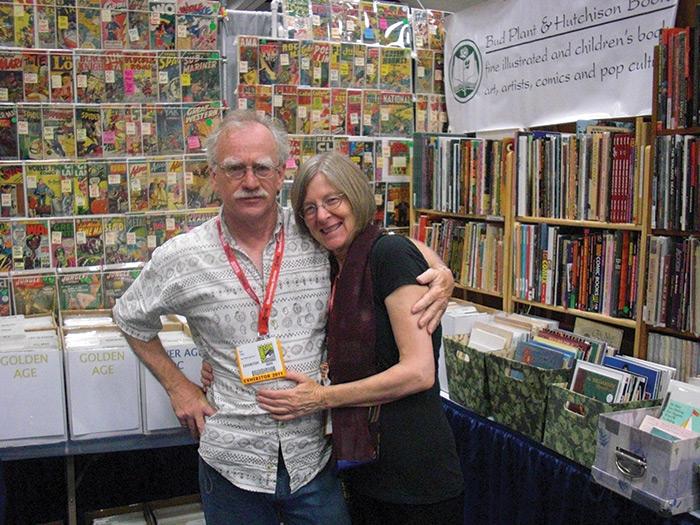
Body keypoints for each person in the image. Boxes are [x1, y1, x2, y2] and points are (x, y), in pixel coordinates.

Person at [112, 110, 453, 525]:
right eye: (235, 169)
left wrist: (443, 274)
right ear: (213, 176)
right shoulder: (182, 258)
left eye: (262, 168)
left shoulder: (315, 232)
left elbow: (380, 247)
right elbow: (130, 317)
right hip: (232, 460)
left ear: (280, 175)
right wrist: (179, 387)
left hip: (314, 458)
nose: (250, 181)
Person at [255, 151, 465, 525]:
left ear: (356, 196)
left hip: (415, 478)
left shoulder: (389, 254)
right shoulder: (337, 267)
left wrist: (321, 397)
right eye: (310, 208)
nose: (323, 215)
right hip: (367, 470)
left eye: (333, 200)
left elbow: (419, 372)